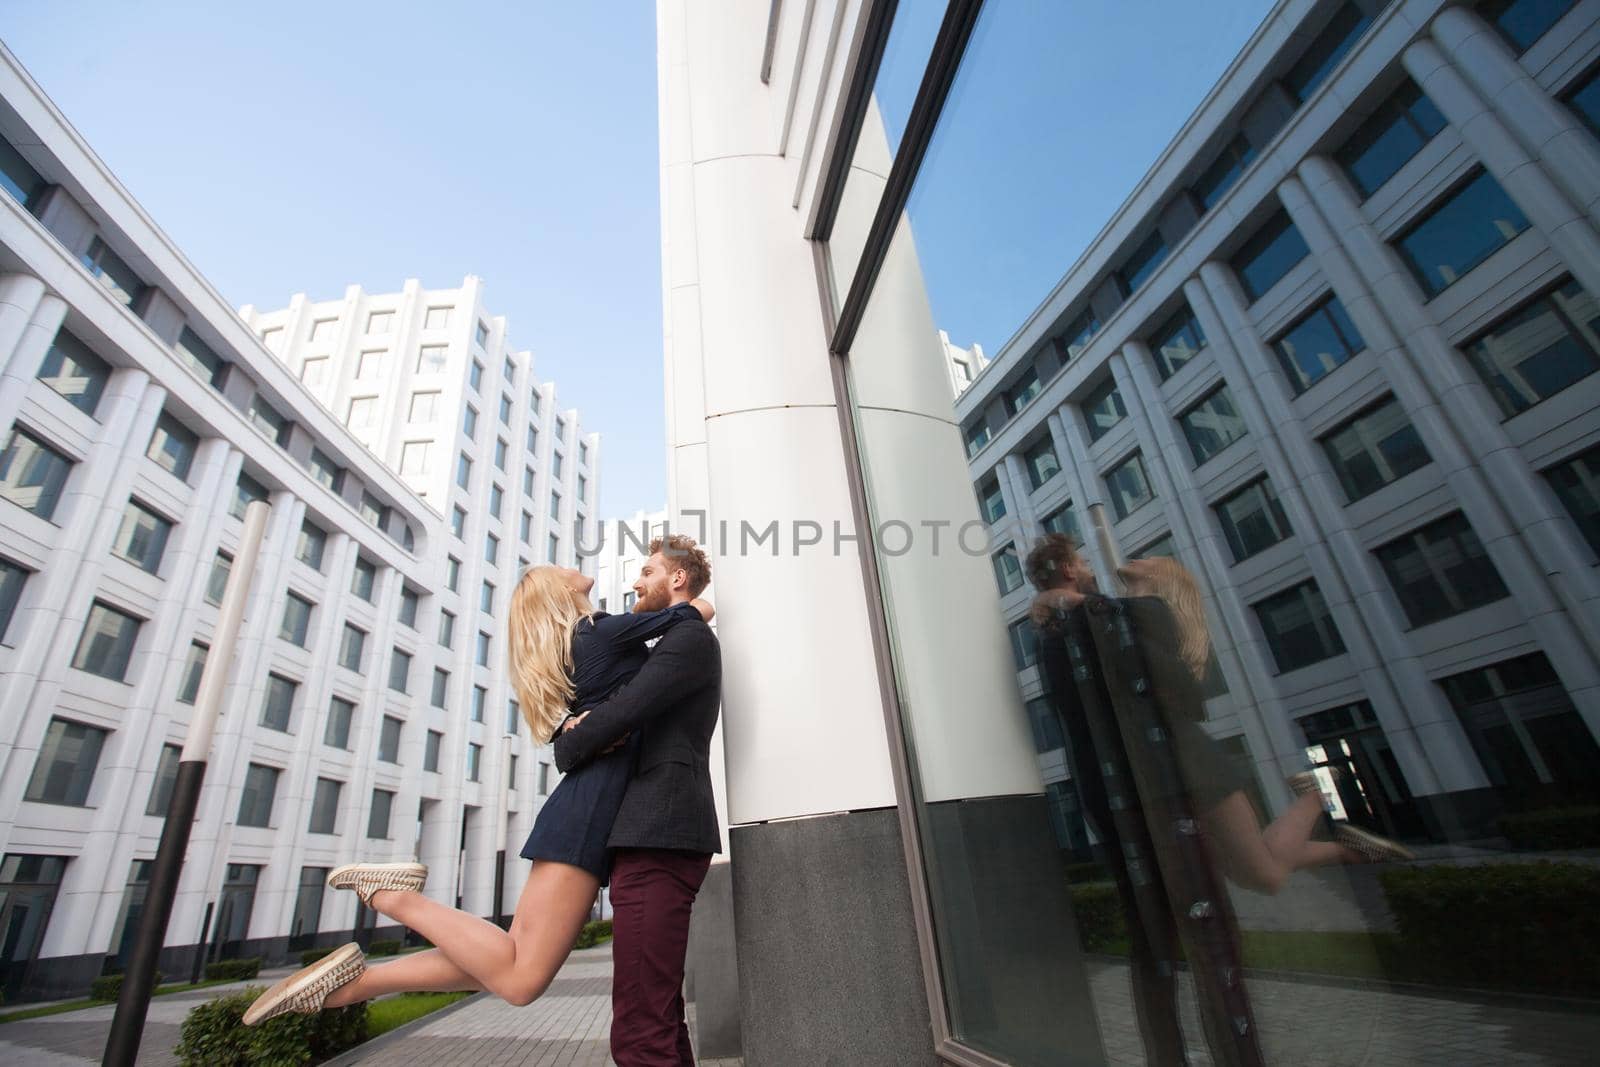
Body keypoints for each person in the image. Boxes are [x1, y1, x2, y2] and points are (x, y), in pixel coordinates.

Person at [242, 549, 715, 1026]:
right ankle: (393, 898)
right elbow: (692, 616)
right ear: (561, 591)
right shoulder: (597, 630)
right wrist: (693, 605)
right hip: (591, 808)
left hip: (584, 801)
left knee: (512, 960)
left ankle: (353, 986)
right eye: (561, 570)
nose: (575, 568)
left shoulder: (576, 645)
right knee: (521, 979)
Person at [553, 533, 722, 1067]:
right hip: (653, 837)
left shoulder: (688, 639)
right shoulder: (669, 642)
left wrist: (568, 742)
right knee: (657, 1018)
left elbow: (626, 711)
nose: (635, 581)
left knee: (638, 1028)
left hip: (661, 835)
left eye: (646, 572)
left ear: (677, 579)